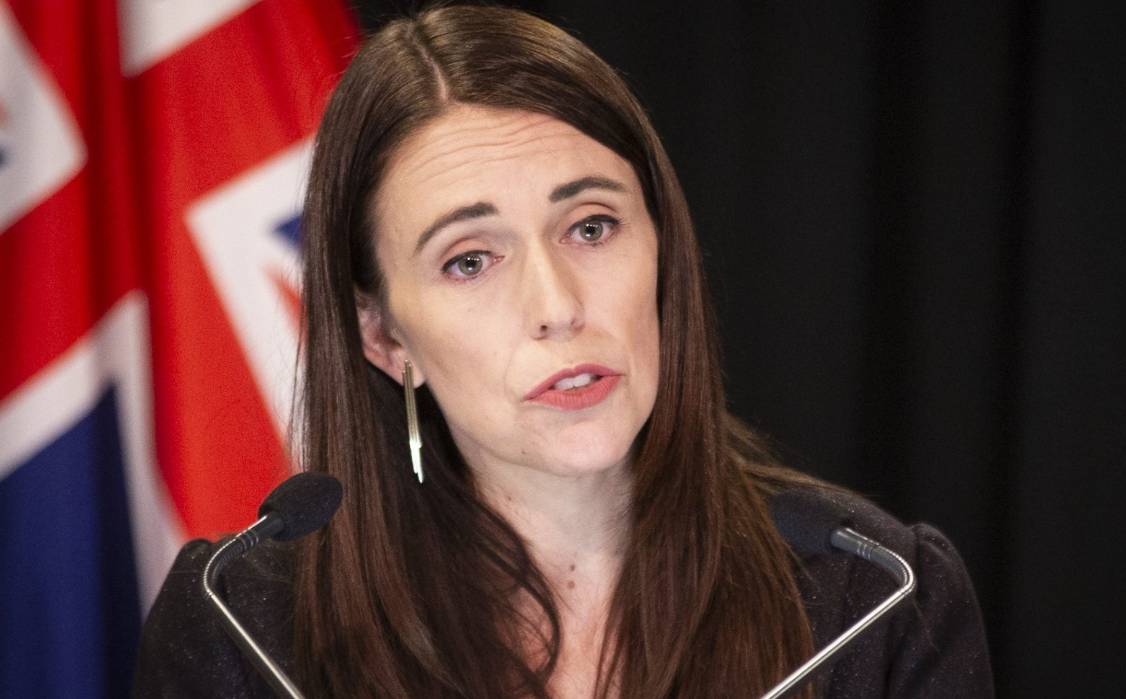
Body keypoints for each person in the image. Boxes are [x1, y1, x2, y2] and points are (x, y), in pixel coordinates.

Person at [134, 5, 993, 697]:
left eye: (590, 226)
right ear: (385, 338)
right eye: (470, 260)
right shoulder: (244, 631)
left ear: (664, 251)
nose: (557, 306)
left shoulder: (878, 597)